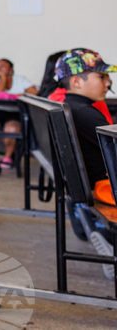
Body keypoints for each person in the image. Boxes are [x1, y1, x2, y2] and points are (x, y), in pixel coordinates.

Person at [52, 49, 116, 279]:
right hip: (107, 189)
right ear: (77, 81)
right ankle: (107, 236)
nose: (108, 82)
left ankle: (95, 228)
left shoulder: (70, 107)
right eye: (101, 76)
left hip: (91, 186)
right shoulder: (88, 114)